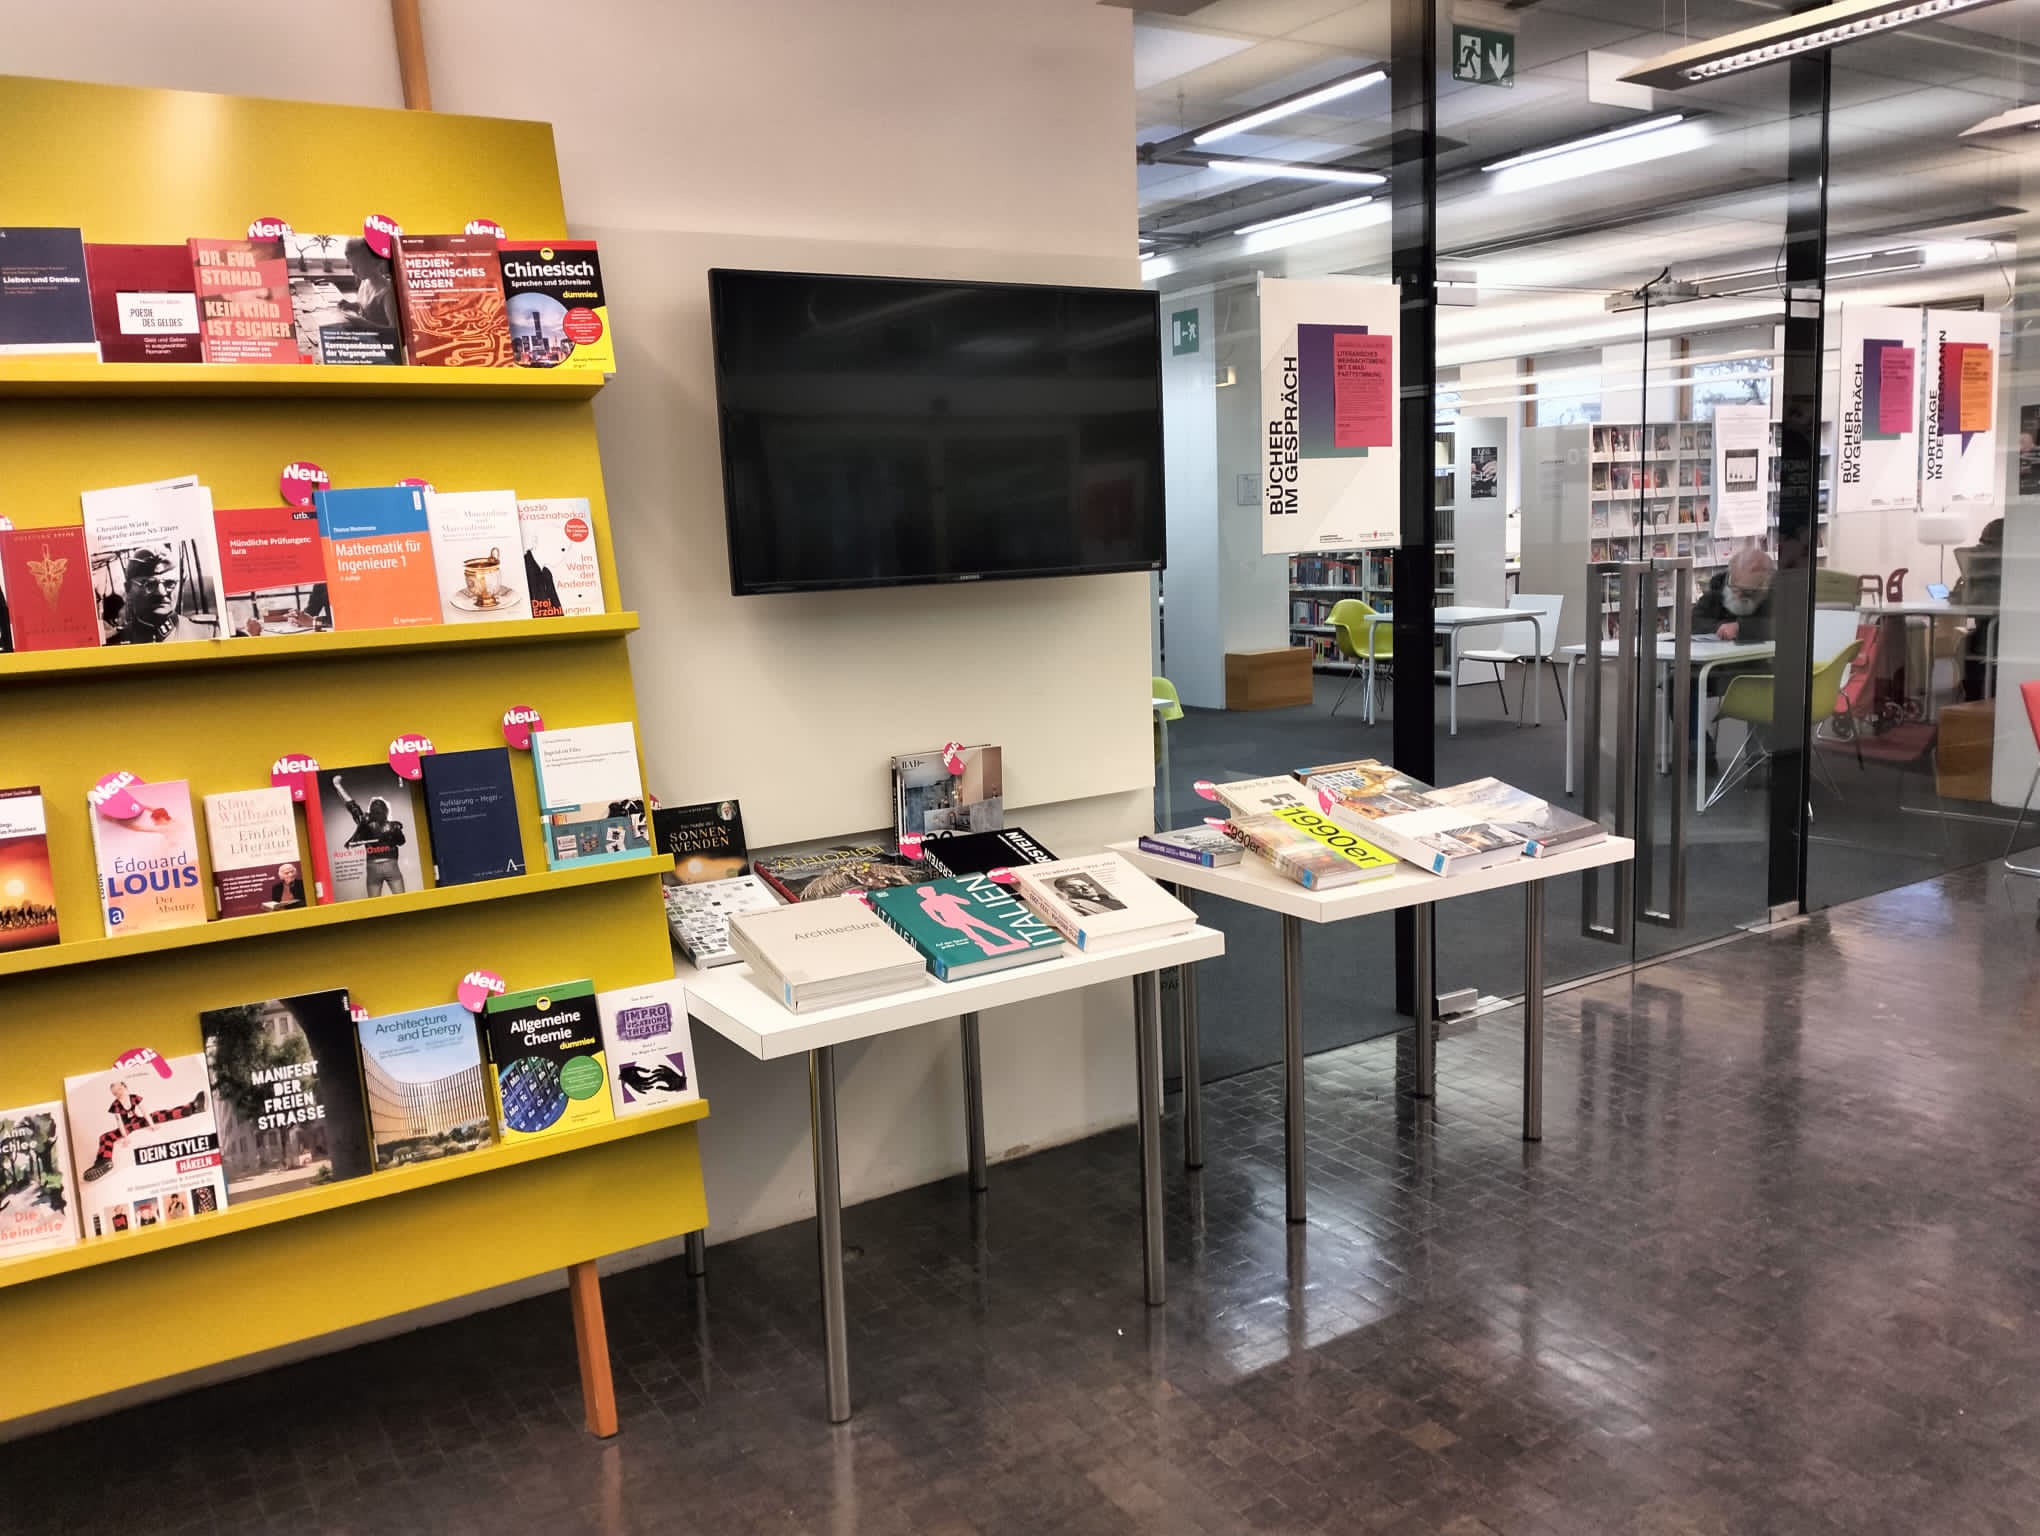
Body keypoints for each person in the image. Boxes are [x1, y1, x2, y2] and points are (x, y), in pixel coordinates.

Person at [1689, 546, 1777, 769]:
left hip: (1757, 668)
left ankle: (1759, 758)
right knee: (1678, 682)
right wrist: (1720, 626)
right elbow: (1693, 621)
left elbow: (1784, 625)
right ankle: (1699, 751)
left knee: (1762, 685)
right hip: (1717, 668)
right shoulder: (1718, 588)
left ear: (1765, 585)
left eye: (1748, 592)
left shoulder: (1780, 593)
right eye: (1735, 587)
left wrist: (1741, 627)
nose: (1738, 595)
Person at [107, 544, 216, 644]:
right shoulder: (113, 644)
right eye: (149, 585)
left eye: (170, 583)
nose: (161, 592)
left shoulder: (208, 634)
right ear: (128, 588)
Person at [1951, 518, 2003, 702]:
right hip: (2000, 640)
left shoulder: (1976, 558)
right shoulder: (2012, 560)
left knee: (1962, 645)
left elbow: (1959, 599)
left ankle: (1971, 701)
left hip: (1985, 641)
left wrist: (1959, 590)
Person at [333, 774, 408, 897]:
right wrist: (394, 827)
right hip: (391, 864)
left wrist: (338, 786)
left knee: (374, 905)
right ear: (386, 811)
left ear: (370, 811)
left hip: (372, 866)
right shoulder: (394, 826)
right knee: (402, 901)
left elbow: (352, 806)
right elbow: (401, 842)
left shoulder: (364, 822)